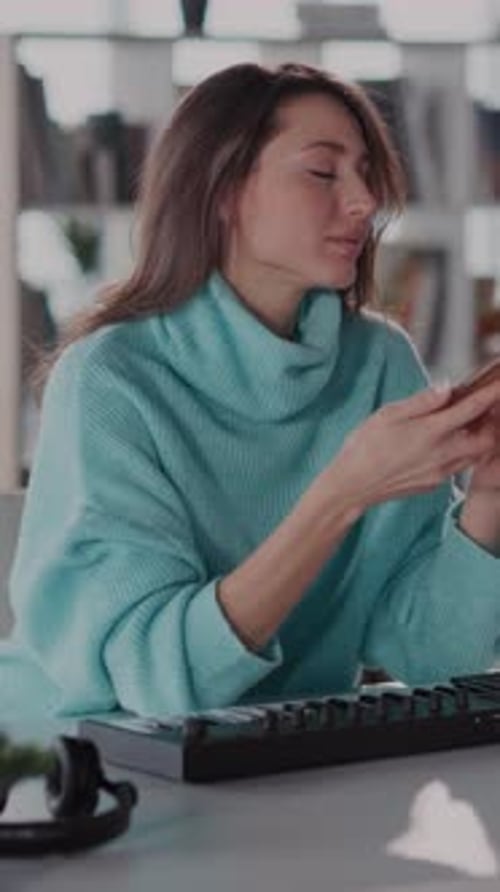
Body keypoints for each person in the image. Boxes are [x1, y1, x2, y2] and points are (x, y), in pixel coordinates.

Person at [2, 62, 500, 720]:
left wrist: (490, 495)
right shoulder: (110, 380)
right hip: (79, 753)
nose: (364, 201)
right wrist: (343, 492)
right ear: (223, 189)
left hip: (276, 752)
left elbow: (430, 653)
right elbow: (158, 683)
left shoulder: (378, 361)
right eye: (322, 172)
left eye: (365, 173)